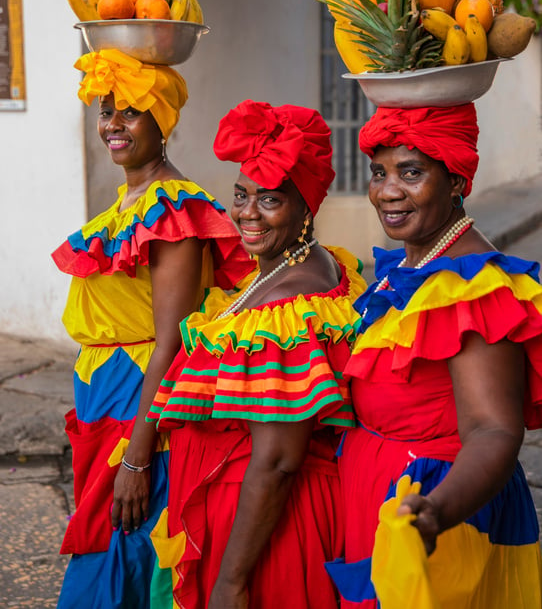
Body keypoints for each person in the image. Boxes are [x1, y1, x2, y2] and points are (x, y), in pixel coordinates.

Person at [146, 99, 367, 609]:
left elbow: (277, 459)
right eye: (241, 196)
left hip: (268, 536)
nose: (247, 213)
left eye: (269, 200)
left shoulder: (287, 310)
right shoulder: (312, 265)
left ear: (306, 206)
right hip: (250, 515)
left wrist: (231, 581)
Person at [52, 49, 253, 609]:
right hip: (106, 401)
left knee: (122, 559)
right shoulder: (130, 202)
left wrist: (138, 459)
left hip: (140, 413)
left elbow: (171, 342)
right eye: (105, 109)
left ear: (162, 120)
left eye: (132, 111)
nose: (113, 124)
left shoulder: (174, 212)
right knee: (108, 546)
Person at [326, 103, 542, 609]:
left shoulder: (470, 288)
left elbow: (495, 431)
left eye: (411, 172)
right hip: (384, 503)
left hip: (439, 520)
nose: (387, 191)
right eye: (379, 172)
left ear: (456, 182)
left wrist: (436, 512)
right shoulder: (410, 265)